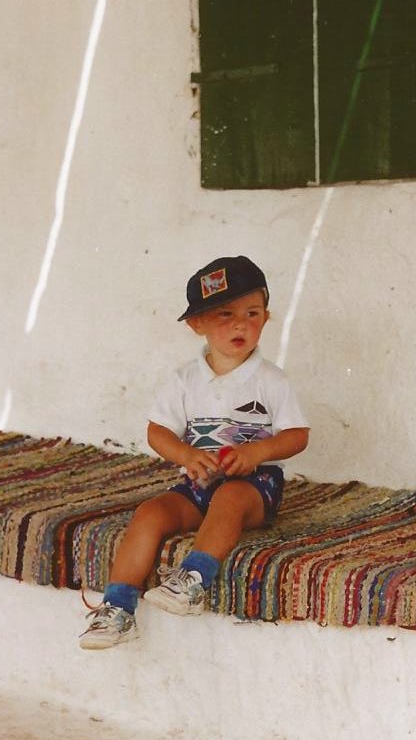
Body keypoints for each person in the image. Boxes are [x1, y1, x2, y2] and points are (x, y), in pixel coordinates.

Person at [79, 255, 310, 649]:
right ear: (197, 324)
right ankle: (117, 608)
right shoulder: (185, 380)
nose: (240, 324)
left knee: (230, 497)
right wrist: (186, 456)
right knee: (150, 513)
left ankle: (193, 580)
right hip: (199, 481)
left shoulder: (271, 380)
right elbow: (157, 432)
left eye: (252, 313)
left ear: (266, 318)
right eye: (225, 314)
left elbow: (297, 435)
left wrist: (258, 452)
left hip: (254, 487)